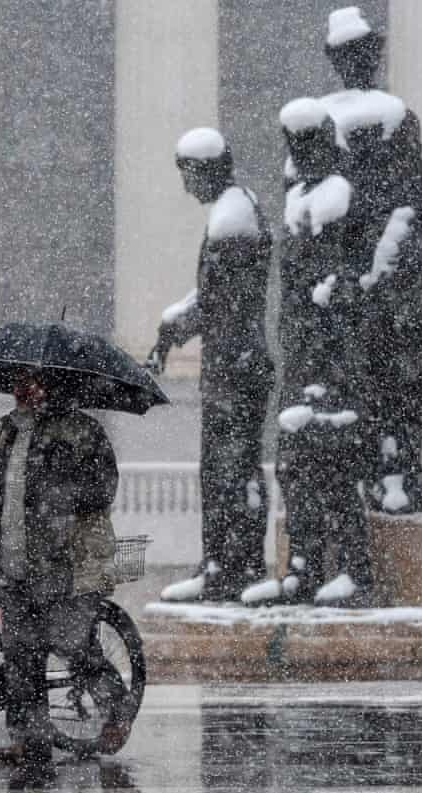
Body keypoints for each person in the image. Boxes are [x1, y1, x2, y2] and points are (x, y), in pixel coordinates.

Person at [0, 369, 130, 765]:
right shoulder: (9, 432)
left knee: (73, 645)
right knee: (21, 656)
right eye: (18, 382)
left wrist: (62, 500)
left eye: (32, 382)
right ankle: (31, 741)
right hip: (15, 561)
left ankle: (117, 708)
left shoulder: (80, 431)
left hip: (63, 561)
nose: (22, 390)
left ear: (54, 387)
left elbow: (103, 487)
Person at [240, 100, 376, 608]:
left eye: (309, 141)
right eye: (295, 143)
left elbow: (350, 281)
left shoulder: (341, 197)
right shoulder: (299, 196)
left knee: (335, 465)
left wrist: (333, 310)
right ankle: (303, 565)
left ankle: (354, 570)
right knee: (295, 467)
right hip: (300, 349)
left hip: (332, 353)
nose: (303, 152)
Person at [320, 5, 422, 516]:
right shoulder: (327, 119)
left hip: (382, 281)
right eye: (348, 54)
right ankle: (380, 478)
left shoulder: (393, 117)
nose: (357, 62)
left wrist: (379, 268)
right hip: (355, 281)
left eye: (362, 53)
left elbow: (412, 202)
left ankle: (398, 476)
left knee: (396, 389)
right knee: (370, 389)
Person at [151, 127, 276, 604]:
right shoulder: (234, 210)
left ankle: (230, 565)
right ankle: (227, 562)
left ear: (205, 169)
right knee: (228, 468)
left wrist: (172, 331)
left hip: (235, 365)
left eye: (187, 175)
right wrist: (174, 326)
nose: (186, 187)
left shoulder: (233, 218)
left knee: (229, 470)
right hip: (234, 363)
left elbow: (218, 300)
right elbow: (213, 297)